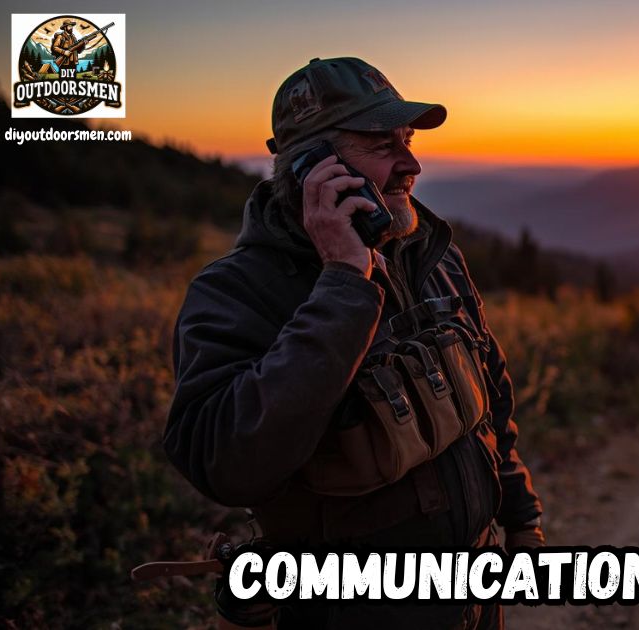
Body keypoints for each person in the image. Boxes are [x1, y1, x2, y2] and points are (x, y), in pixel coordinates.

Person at [163, 57, 545, 629]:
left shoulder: (431, 256)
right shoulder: (234, 291)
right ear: (312, 167)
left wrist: (521, 519)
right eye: (380, 142)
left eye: (408, 139)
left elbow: (490, 395)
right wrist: (344, 279)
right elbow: (225, 464)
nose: (411, 163)